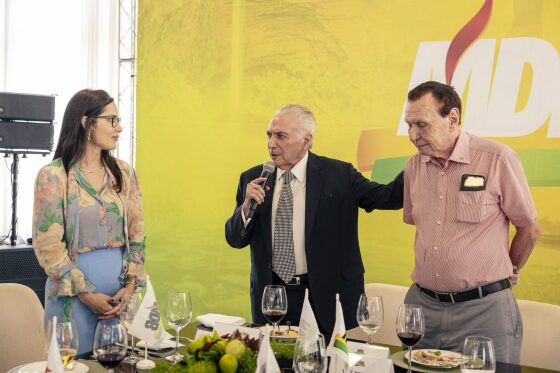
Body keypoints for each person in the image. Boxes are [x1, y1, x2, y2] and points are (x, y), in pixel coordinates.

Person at [225, 104, 403, 336]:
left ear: (306, 139)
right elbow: (234, 239)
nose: (271, 143)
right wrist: (246, 209)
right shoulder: (254, 178)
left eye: (281, 136)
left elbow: (387, 197)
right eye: (269, 135)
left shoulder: (340, 175)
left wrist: (419, 165)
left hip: (324, 295)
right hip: (272, 296)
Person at [402, 81, 541, 363]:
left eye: (422, 125)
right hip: (422, 311)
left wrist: (507, 269)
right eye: (409, 125)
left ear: (452, 118)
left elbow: (529, 228)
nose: (413, 135)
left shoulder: (497, 159)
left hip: (484, 315)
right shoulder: (413, 167)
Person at [33, 89, 146, 356]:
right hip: (72, 301)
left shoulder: (124, 173)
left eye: (119, 121)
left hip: (120, 301)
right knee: (72, 364)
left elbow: (138, 232)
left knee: (120, 363)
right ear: (86, 122)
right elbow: (48, 247)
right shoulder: (54, 176)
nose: (118, 128)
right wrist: (86, 294)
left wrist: (130, 285)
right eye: (111, 120)